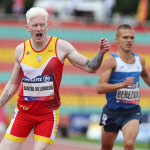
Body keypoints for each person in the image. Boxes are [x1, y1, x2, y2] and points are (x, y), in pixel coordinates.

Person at [0, 7, 111, 150]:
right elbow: (13, 84)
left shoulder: (61, 47)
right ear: (28, 28)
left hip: (47, 115)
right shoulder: (21, 50)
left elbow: (90, 67)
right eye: (35, 25)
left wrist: (100, 53)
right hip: (23, 113)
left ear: (47, 25)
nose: (39, 28)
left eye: (42, 25)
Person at [97, 24, 150, 150]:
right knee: (106, 147)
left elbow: (146, 76)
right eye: (125, 37)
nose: (129, 40)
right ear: (117, 40)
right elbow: (100, 88)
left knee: (129, 144)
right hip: (112, 111)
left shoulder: (140, 60)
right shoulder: (112, 60)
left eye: (132, 37)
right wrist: (122, 84)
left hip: (132, 111)